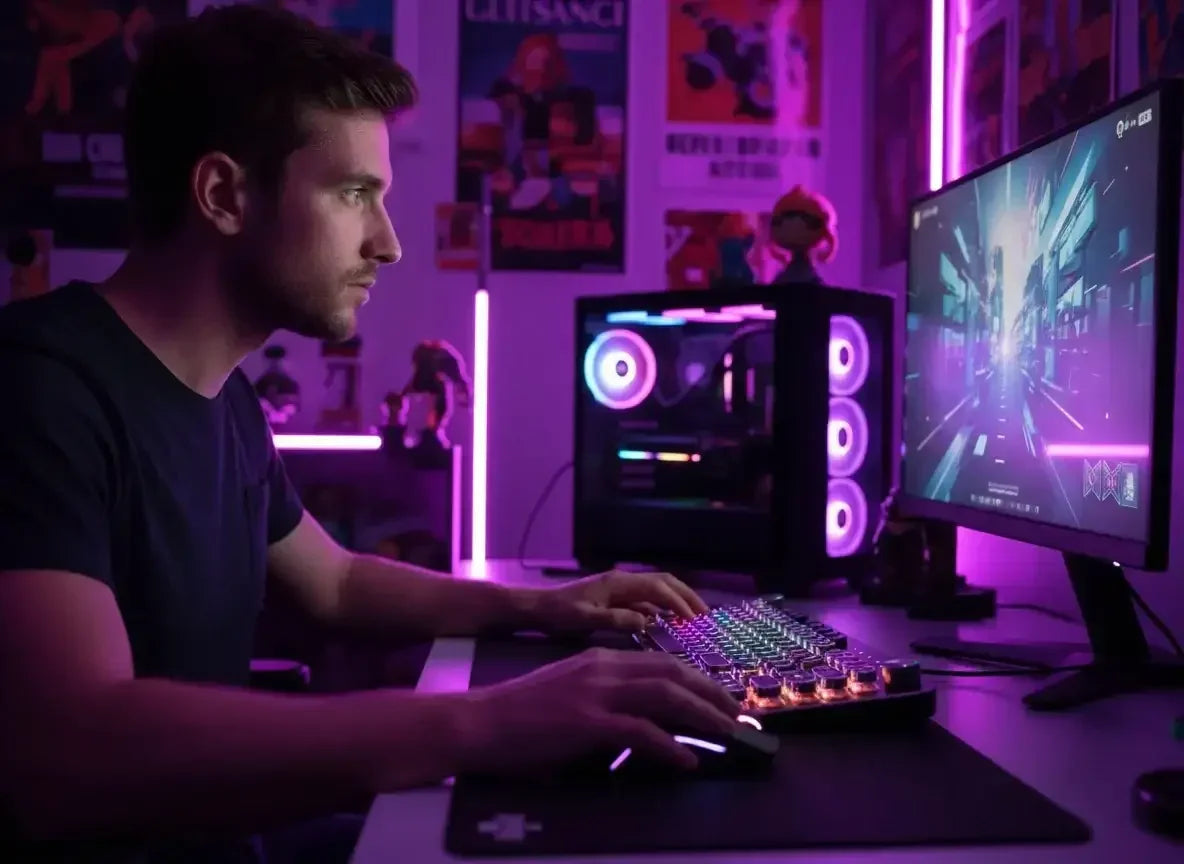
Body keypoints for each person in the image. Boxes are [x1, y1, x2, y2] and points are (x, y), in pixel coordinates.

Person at [0, 6, 739, 862]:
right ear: (224, 195)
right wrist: (486, 722)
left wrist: (544, 606)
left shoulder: (224, 400)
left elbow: (337, 582)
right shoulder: (40, 390)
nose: (387, 244)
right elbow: (72, 746)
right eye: (355, 195)